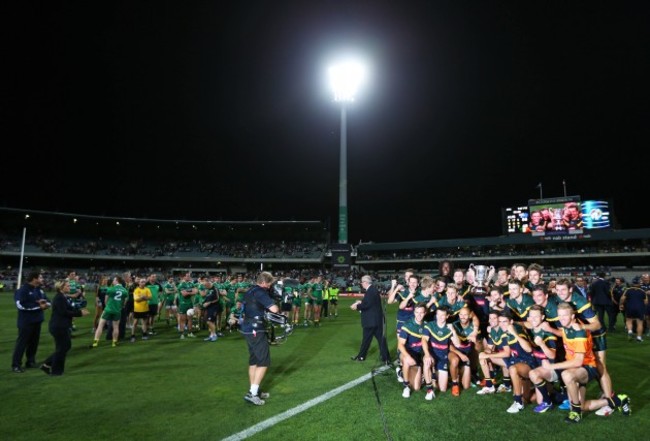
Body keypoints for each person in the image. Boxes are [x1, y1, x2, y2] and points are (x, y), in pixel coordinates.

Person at [546, 302, 630, 423]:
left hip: (587, 367)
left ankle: (575, 413)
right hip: (576, 370)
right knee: (582, 406)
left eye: (565, 315)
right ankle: (618, 401)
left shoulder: (579, 332)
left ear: (572, 317)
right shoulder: (566, 327)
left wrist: (552, 366)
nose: (562, 318)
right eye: (560, 315)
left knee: (566, 375)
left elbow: (578, 362)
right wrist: (550, 329)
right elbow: (563, 334)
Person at [241, 271, 279, 406]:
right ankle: (252, 393)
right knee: (263, 361)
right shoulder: (261, 292)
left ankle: (254, 389)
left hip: (247, 328)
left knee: (254, 361)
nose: (269, 286)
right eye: (269, 283)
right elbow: (274, 309)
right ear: (263, 282)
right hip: (256, 329)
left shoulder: (249, 290)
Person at [41, 280, 90, 376]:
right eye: (67, 286)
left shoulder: (63, 297)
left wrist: (80, 308)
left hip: (62, 325)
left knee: (64, 347)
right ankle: (56, 371)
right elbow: (64, 312)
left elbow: (69, 309)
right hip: (58, 326)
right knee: (62, 348)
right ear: (61, 288)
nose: (69, 287)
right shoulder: (59, 298)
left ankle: (47, 365)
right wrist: (80, 313)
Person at [11, 271, 50, 373]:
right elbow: (20, 305)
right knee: (22, 344)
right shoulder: (22, 290)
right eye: (40, 277)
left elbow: (48, 301)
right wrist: (38, 306)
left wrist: (45, 304)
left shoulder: (39, 290)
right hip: (26, 322)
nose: (42, 279)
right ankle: (16, 365)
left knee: (34, 343)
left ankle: (30, 361)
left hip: (37, 320)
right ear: (34, 278)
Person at [350, 275, 391, 365]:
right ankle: (386, 358)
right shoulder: (372, 290)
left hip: (371, 321)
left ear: (365, 282)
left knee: (366, 340)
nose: (361, 284)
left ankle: (361, 357)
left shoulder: (371, 291)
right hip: (376, 320)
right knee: (380, 340)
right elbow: (369, 303)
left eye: (361, 282)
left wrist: (356, 306)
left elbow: (366, 305)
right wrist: (360, 302)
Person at [91, 275, 128, 348]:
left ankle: (95, 342)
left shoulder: (111, 289)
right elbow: (125, 302)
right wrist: (120, 307)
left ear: (117, 280)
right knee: (116, 327)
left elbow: (105, 300)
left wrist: (107, 306)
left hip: (108, 309)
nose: (113, 281)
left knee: (100, 325)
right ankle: (114, 343)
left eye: (114, 280)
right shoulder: (125, 291)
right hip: (117, 310)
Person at [619, 276, 648, 342]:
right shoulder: (642, 291)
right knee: (639, 323)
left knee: (629, 320)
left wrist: (621, 305)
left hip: (630, 307)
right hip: (639, 308)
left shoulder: (628, 290)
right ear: (638, 284)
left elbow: (622, 298)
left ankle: (630, 331)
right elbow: (646, 302)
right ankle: (639, 338)